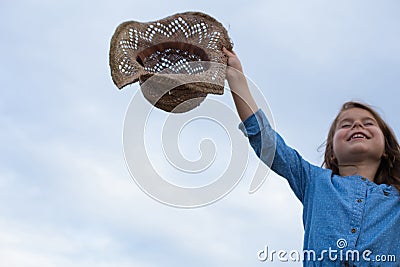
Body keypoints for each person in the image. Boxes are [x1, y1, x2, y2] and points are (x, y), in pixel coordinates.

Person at [222, 47, 400, 266]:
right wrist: (236, 78)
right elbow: (267, 141)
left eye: (368, 123)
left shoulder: (396, 199)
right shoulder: (314, 181)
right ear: (332, 153)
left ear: (385, 149)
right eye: (345, 125)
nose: (356, 124)